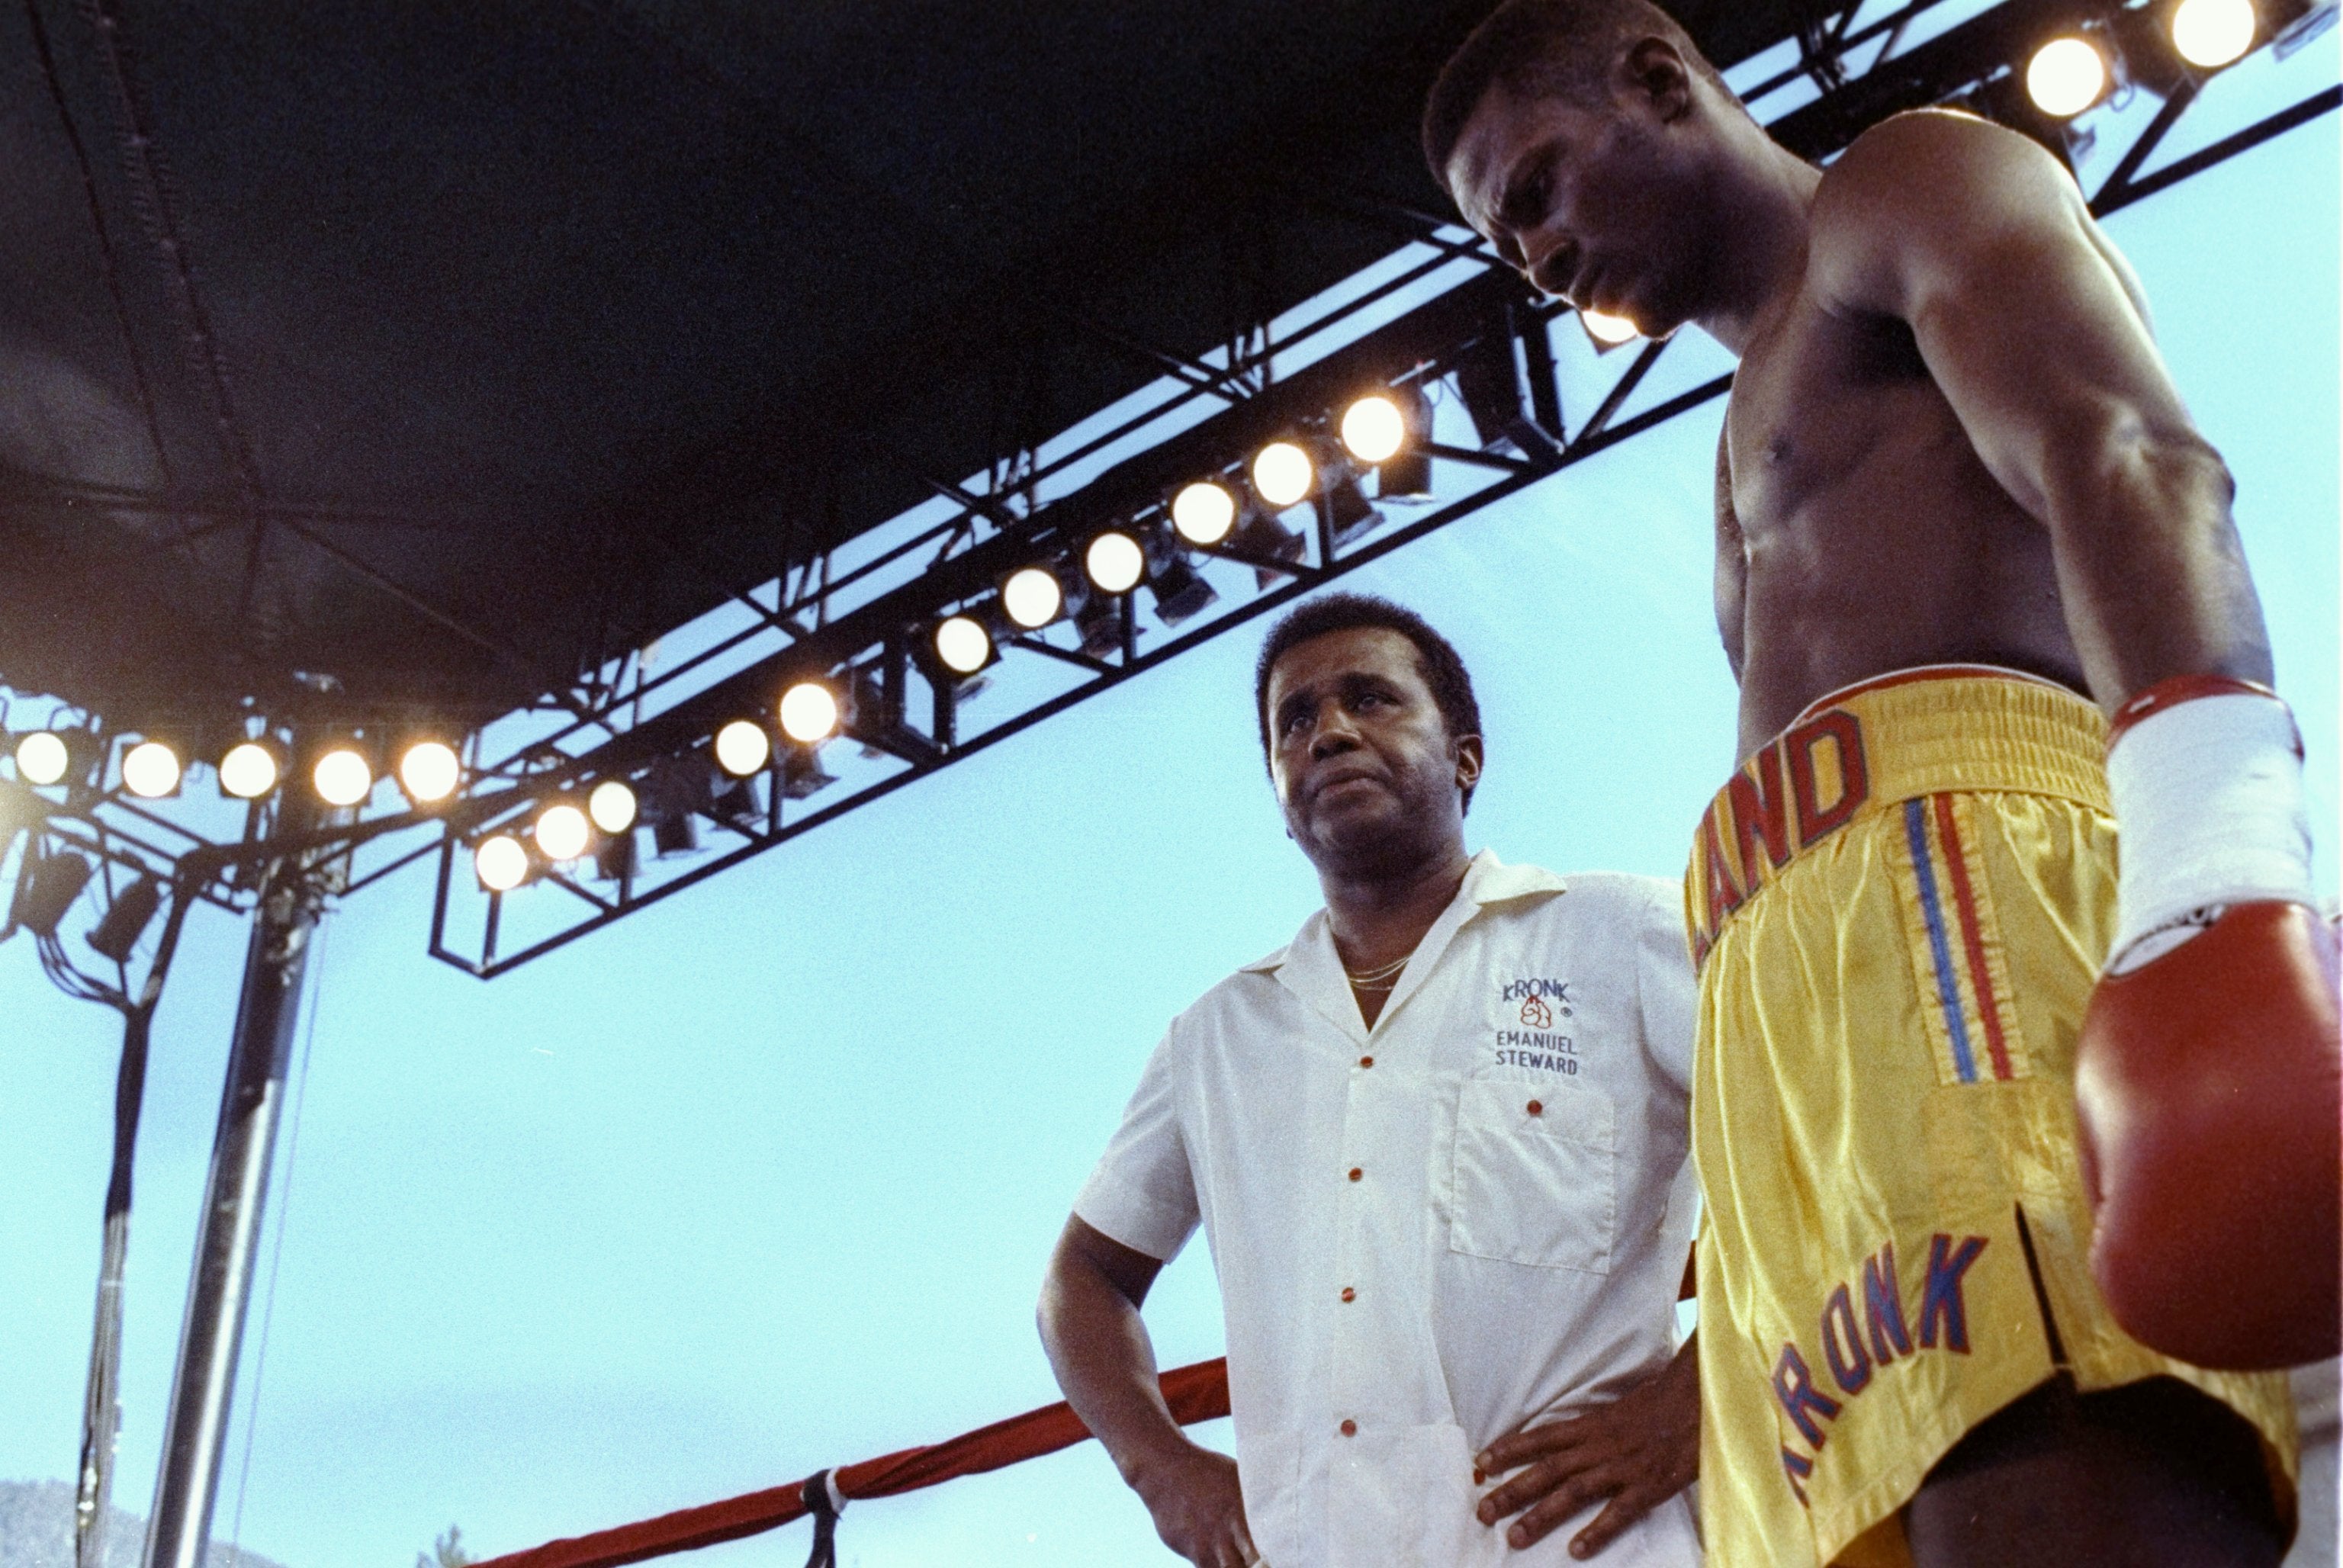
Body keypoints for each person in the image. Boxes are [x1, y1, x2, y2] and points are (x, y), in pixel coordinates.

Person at [1421, 2, 2324, 1565]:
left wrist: (2221, 863)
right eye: (1508, 244)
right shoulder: (1737, 432)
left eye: (1541, 189)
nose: (1540, 258)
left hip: (1974, 913)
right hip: (1802, 1028)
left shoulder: (1904, 185)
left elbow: (2127, 451)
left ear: (1656, 76)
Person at [1037, 593, 1705, 1566]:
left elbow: (1822, 1147)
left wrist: (1695, 1399)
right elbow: (1080, 1282)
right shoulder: (1215, 1038)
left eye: (1372, 699)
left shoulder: (1623, 934)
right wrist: (1164, 1472)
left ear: (1466, 755)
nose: (1331, 732)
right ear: (1278, 790)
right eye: (1295, 721)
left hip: (1589, 1547)